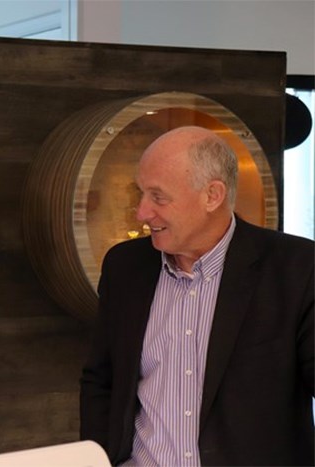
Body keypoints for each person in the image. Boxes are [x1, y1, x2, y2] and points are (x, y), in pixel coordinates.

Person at [79, 126, 314, 466]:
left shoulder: (296, 269)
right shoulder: (125, 267)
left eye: (158, 197)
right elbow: (101, 379)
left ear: (212, 195)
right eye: (141, 193)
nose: (142, 212)